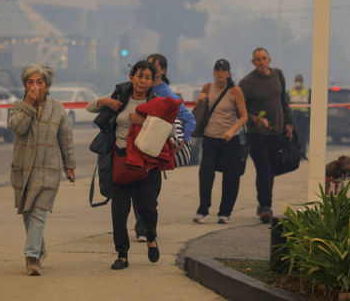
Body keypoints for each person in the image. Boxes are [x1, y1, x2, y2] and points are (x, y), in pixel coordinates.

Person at [86, 60, 165, 270]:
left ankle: (151, 238)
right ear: (132, 77)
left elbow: (170, 131)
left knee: (148, 208)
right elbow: (89, 107)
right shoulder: (119, 96)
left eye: (148, 77)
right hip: (120, 161)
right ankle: (122, 254)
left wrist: (145, 122)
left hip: (147, 165)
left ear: (152, 81)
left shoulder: (157, 102)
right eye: (139, 76)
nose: (142, 80)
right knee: (119, 210)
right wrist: (105, 101)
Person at [9, 64, 76, 276]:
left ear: (47, 85)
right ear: (25, 85)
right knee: (28, 213)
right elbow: (17, 127)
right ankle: (39, 248)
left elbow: (66, 138)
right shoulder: (18, 107)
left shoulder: (57, 108)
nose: (35, 86)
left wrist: (69, 165)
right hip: (24, 169)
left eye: (40, 82)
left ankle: (31, 258)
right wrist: (28, 103)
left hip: (49, 169)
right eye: (31, 82)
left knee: (38, 213)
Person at [126, 53, 197, 241]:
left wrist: (183, 140)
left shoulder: (164, 92)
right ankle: (142, 228)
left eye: (153, 68)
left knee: (148, 192)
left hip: (152, 149)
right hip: (135, 148)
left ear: (162, 71)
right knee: (135, 189)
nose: (147, 70)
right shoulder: (135, 90)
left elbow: (188, 118)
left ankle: (146, 228)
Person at [239, 48, 293, 224]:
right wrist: (254, 118)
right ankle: (265, 206)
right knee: (264, 170)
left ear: (269, 60)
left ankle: (263, 202)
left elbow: (283, 99)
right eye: (257, 59)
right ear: (253, 62)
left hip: (276, 132)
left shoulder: (278, 75)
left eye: (264, 58)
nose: (261, 62)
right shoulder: (247, 82)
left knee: (273, 168)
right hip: (257, 134)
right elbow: (240, 107)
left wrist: (289, 122)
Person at [193, 58, 247, 225]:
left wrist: (232, 130)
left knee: (231, 176)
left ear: (229, 73)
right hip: (210, 138)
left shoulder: (235, 91)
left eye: (223, 70)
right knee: (205, 173)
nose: (220, 73)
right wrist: (200, 100)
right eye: (217, 70)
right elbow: (200, 111)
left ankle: (225, 212)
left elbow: (244, 116)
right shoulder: (207, 88)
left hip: (230, 140)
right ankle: (203, 210)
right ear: (214, 72)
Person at [289, 74, 310, 156]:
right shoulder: (290, 91)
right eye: (297, 80)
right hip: (293, 117)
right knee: (293, 137)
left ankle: (302, 153)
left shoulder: (306, 91)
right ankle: (294, 153)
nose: (298, 82)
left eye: (299, 80)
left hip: (303, 117)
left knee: (303, 137)